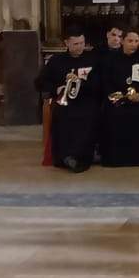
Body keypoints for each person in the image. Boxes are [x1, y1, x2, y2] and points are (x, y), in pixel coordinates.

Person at [36, 24, 105, 172]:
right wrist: (58, 88)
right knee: (63, 117)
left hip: (87, 99)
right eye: (75, 44)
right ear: (66, 43)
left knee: (89, 116)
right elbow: (41, 81)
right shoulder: (56, 61)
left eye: (82, 43)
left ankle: (82, 156)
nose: (80, 47)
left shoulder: (93, 59)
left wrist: (81, 82)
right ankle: (65, 156)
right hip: (65, 101)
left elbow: (99, 81)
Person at [98, 27, 139, 167]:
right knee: (114, 114)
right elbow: (106, 81)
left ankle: (136, 157)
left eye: (136, 41)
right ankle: (113, 158)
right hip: (117, 99)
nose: (133, 44)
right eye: (130, 41)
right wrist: (116, 96)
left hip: (138, 100)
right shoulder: (111, 59)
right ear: (122, 41)